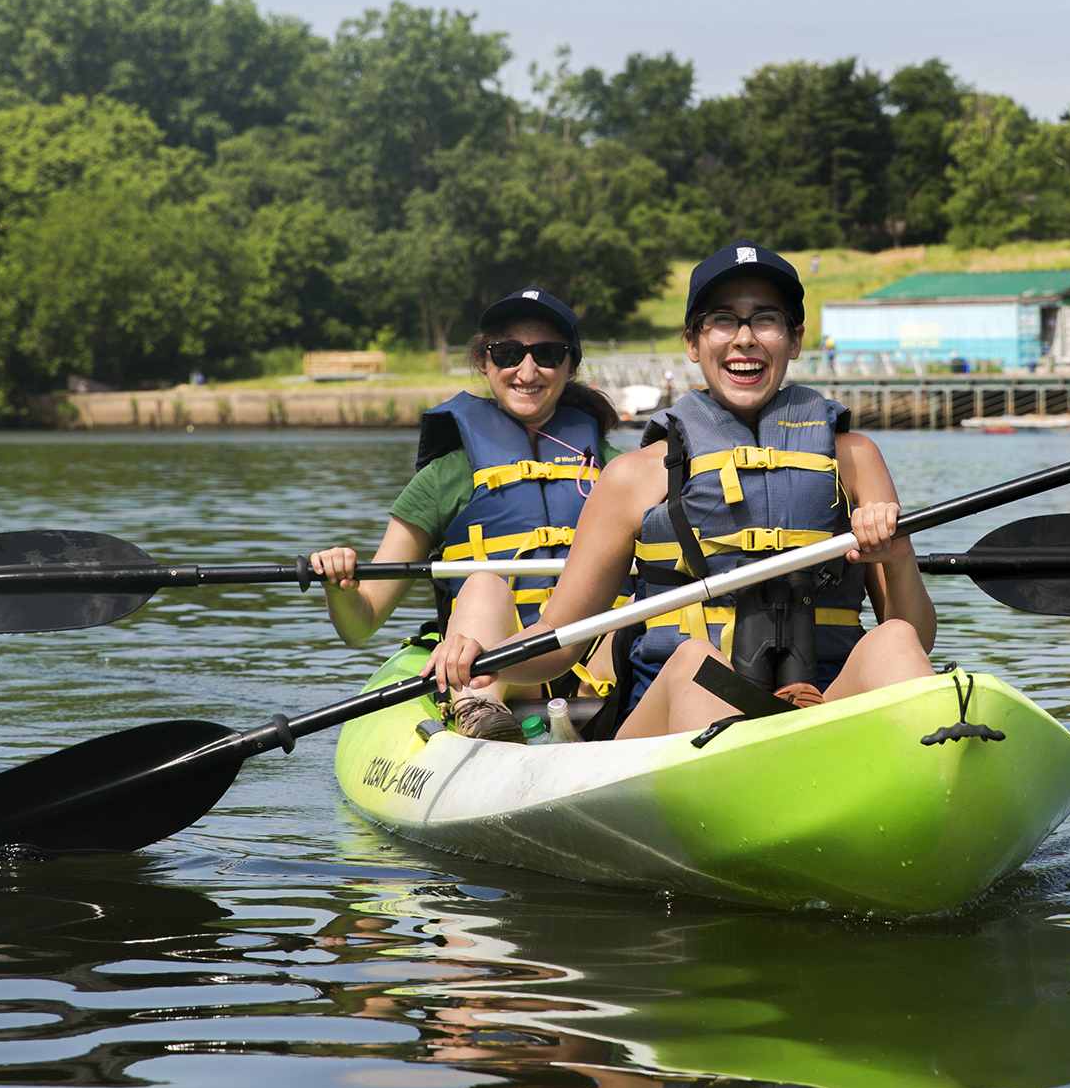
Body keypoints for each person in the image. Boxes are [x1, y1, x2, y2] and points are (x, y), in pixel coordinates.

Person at [428, 243, 936, 739]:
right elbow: (561, 639)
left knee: (893, 641)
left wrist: (897, 554)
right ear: (693, 343)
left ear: (794, 339)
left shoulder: (855, 457)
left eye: (765, 319)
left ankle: (932, 781)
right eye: (722, 320)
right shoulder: (632, 476)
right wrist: (482, 655)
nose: (745, 339)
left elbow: (917, 633)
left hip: (820, 700)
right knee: (698, 662)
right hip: (672, 721)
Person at [310, 287, 623, 742]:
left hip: (598, 665)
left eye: (548, 354)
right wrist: (340, 586)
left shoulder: (618, 473)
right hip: (490, 665)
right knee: (481, 584)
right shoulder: (445, 477)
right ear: (484, 361)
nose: (527, 370)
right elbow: (362, 623)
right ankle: (480, 715)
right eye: (509, 353)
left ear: (570, 365)